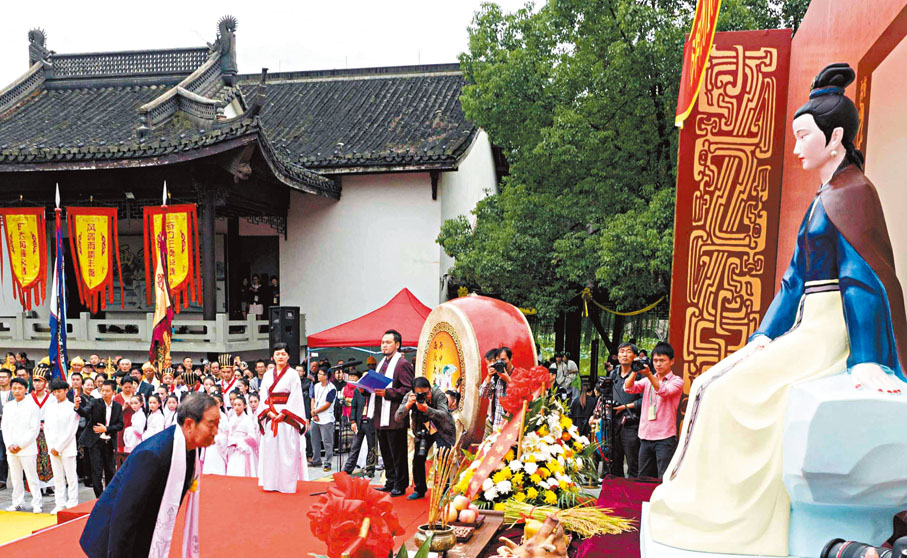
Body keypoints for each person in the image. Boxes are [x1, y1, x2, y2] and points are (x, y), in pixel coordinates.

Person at [649, 63, 907, 556]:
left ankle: (727, 516)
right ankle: (703, 506)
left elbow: (862, 282)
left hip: (832, 329)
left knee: (723, 393)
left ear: (834, 138)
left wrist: (868, 357)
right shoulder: (824, 196)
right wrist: (764, 336)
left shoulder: (855, 194)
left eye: (804, 136)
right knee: (709, 382)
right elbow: (792, 278)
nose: (795, 148)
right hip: (808, 322)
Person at [80, 392, 218, 558]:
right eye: (211, 425)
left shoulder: (188, 449)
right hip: (113, 540)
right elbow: (125, 515)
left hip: (144, 531)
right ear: (189, 424)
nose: (216, 431)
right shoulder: (153, 455)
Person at [622, 342, 683, 478]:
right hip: (645, 436)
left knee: (663, 477)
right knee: (643, 477)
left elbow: (664, 391)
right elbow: (628, 388)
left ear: (671, 361)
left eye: (662, 360)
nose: (658, 364)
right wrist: (635, 370)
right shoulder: (648, 379)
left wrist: (649, 375)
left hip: (665, 437)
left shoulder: (677, 381)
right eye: (655, 360)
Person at [257, 343, 308, 493]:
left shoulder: (293, 374)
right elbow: (263, 395)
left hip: (287, 416)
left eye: (283, 354)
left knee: (288, 451)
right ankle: (271, 484)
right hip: (271, 414)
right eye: (277, 354)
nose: (280, 356)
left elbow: (296, 397)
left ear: (288, 357)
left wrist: (284, 413)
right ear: (273, 357)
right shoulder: (267, 375)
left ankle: (287, 485)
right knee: (271, 451)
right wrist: (269, 412)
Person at [370, 329, 415, 497]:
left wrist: (388, 393)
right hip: (380, 413)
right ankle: (390, 481)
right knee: (386, 451)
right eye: (382, 342)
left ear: (397, 345)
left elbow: (407, 389)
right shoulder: (381, 363)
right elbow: (376, 386)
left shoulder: (402, 364)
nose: (384, 345)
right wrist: (366, 389)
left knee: (397, 452)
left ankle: (400, 483)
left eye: (388, 342)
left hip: (395, 415)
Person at [395, 377, 455, 500]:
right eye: (420, 394)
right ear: (413, 392)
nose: (425, 396)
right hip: (422, 430)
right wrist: (407, 405)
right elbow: (397, 417)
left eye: (427, 393)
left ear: (430, 389)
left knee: (443, 458)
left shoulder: (439, 395)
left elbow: (444, 415)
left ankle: (444, 491)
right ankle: (419, 489)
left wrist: (427, 409)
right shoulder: (409, 396)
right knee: (418, 459)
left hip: (442, 430)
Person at [590, 343, 643, 477]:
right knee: (613, 461)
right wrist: (596, 415)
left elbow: (646, 401)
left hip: (632, 424)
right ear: (617, 356)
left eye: (628, 352)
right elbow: (603, 396)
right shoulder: (614, 373)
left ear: (635, 356)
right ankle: (616, 494)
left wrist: (624, 407)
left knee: (633, 463)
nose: (624, 355)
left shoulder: (641, 375)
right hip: (612, 423)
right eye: (622, 352)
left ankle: (632, 493)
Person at [76, 380, 124, 497]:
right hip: (95, 442)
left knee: (110, 470)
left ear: (113, 392)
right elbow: (85, 412)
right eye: (103, 390)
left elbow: (120, 425)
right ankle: (99, 496)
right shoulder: (95, 402)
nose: (105, 393)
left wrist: (106, 429)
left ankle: (109, 494)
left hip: (108, 442)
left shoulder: (117, 406)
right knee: (96, 470)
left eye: (107, 391)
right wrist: (77, 407)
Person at [3, 377, 41, 512]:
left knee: (31, 477)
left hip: (27, 448)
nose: (17, 391)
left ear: (26, 389)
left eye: (20, 388)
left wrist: (20, 444)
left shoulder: (32, 406)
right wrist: (9, 445)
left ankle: (37, 503)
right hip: (11, 449)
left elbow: (34, 429)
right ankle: (18, 502)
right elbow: (5, 427)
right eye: (14, 388)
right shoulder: (8, 406)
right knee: (15, 477)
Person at [45, 379, 80, 512]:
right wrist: (51, 447)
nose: (57, 394)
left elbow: (71, 430)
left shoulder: (72, 407)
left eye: (60, 391)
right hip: (52, 447)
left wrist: (59, 447)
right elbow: (47, 428)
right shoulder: (50, 407)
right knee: (58, 477)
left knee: (71, 477)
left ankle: (72, 503)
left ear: (66, 391)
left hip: (67, 447)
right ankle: (59, 503)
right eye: (55, 392)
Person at [342, 369, 377, 478]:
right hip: (359, 421)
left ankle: (370, 468)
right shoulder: (358, 390)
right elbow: (354, 406)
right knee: (355, 446)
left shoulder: (375, 391)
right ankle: (348, 468)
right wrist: (352, 421)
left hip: (371, 421)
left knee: (372, 447)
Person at [479, 347, 513, 437]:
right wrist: (489, 377)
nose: (501, 363)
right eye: (498, 361)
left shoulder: (517, 375)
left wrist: (508, 380)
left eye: (503, 360)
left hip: (508, 426)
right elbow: (482, 394)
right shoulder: (495, 377)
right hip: (492, 423)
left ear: (511, 359)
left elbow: (521, 397)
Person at [310, 366, 336, 472]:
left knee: (327, 441)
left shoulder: (332, 388)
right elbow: (313, 399)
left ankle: (328, 462)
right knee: (314, 439)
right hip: (315, 417)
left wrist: (316, 411)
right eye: (318, 373)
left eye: (321, 374)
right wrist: (313, 411)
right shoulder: (316, 386)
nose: (318, 376)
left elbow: (328, 404)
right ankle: (316, 459)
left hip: (326, 417)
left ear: (326, 376)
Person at [226, 395, 258, 477]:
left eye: (239, 405)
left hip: (244, 448)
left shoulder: (247, 420)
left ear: (244, 406)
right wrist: (232, 441)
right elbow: (229, 433)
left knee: (243, 470)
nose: (236, 407)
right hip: (233, 447)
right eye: (235, 405)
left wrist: (240, 442)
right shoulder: (231, 419)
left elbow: (252, 436)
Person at [0, 368, 14, 490]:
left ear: (9, 379)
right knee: (0, 456)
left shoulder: (14, 393)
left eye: (4, 377)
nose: (1, 379)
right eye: (0, 377)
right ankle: (2, 480)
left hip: (12, 429)